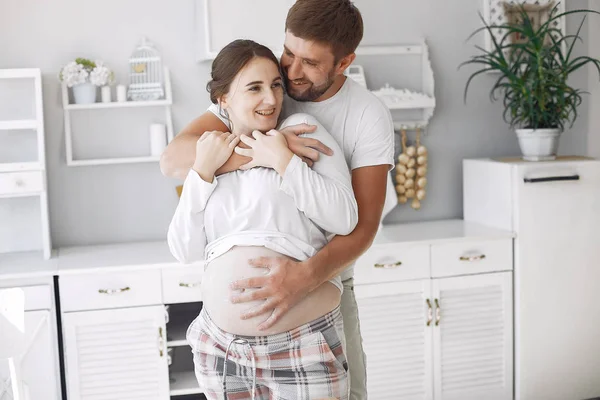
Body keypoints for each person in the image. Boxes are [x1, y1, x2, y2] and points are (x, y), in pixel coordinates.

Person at [161, 1, 395, 398]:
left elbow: (361, 227)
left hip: (323, 286)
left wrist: (301, 280)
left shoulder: (365, 115)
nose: (288, 75)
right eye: (288, 52)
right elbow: (174, 159)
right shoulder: (260, 86)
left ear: (344, 63)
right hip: (227, 346)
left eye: (309, 62)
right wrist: (267, 150)